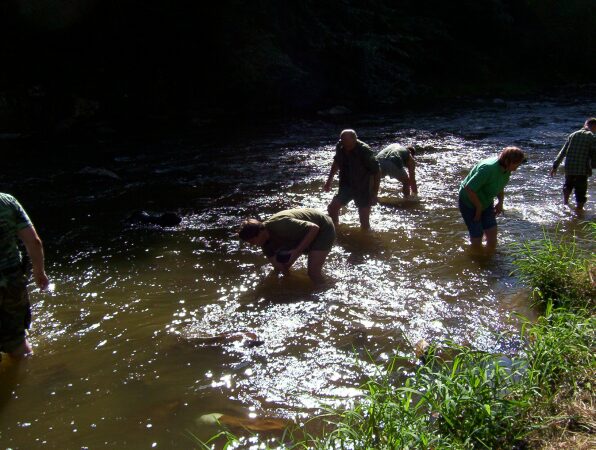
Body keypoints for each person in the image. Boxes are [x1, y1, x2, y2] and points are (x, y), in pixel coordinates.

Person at [0, 193, 49, 360]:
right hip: (12, 282)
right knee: (18, 342)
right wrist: (39, 272)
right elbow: (34, 241)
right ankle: (29, 371)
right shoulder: (7, 202)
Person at [238, 208, 335, 284]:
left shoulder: (281, 225)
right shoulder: (264, 243)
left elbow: (314, 228)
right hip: (302, 233)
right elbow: (281, 267)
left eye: (252, 241)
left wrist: (297, 251)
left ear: (261, 231)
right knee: (279, 267)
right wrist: (283, 281)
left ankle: (328, 290)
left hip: (323, 227)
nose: (252, 245)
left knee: (313, 273)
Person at [458, 147, 526, 252]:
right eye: (516, 164)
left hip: (486, 200)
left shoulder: (506, 169)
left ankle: (490, 256)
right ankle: (477, 258)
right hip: (469, 202)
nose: (517, 168)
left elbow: (500, 185)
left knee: (492, 234)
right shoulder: (488, 169)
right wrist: (478, 208)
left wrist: (500, 202)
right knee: (477, 236)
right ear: (507, 161)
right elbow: (469, 188)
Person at [324, 129, 381, 229]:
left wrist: (374, 193)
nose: (347, 147)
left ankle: (366, 236)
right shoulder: (340, 146)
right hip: (346, 184)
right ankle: (336, 229)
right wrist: (329, 180)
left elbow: (377, 171)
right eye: (344, 144)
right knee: (332, 208)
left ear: (355, 139)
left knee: (364, 221)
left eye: (349, 145)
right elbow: (336, 162)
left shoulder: (365, 151)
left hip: (363, 186)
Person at [550, 118, 596, 211]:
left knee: (568, 185)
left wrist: (555, 166)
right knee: (580, 192)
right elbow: (594, 154)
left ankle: (565, 203)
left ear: (585, 125)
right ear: (594, 126)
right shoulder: (592, 137)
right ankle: (579, 212)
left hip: (569, 167)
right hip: (582, 169)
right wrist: (593, 168)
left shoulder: (573, 135)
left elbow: (563, 152)